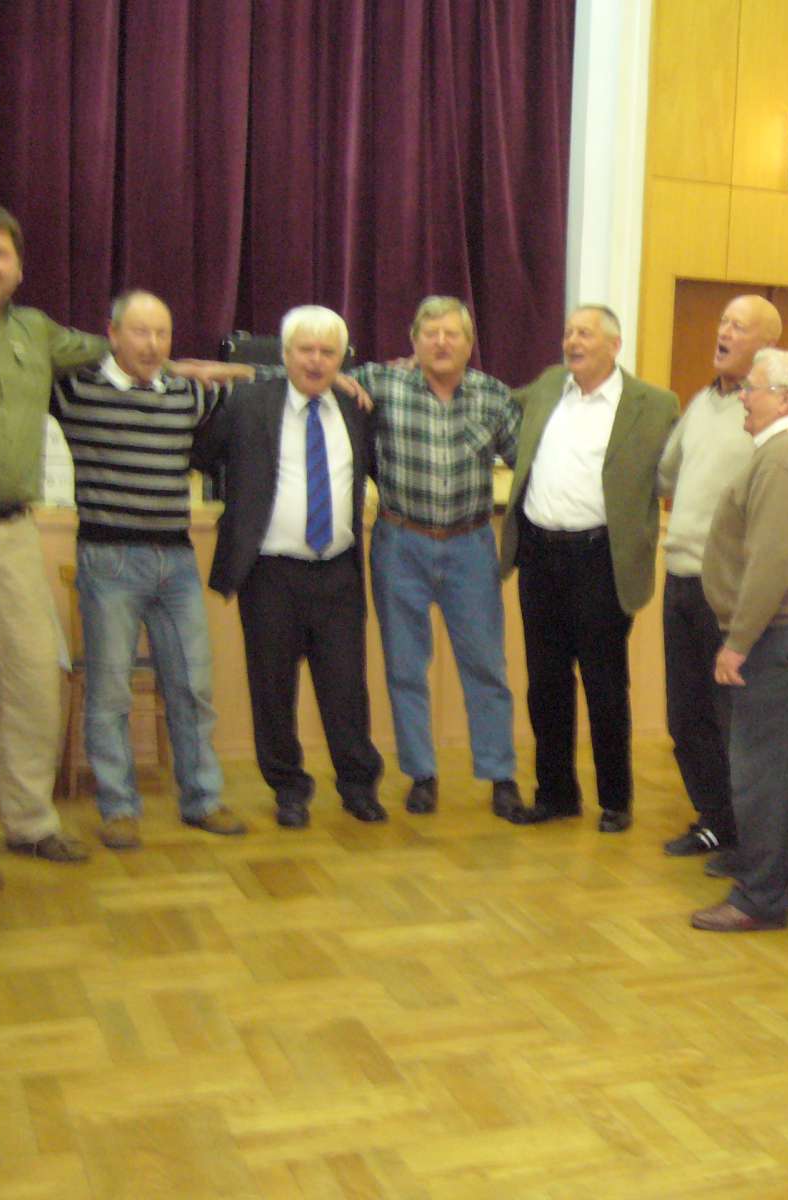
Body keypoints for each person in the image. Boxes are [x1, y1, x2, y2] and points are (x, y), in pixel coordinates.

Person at [656, 293, 788, 861]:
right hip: (684, 578)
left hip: (742, 597)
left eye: (738, 326)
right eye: (722, 320)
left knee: (745, 729)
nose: (722, 331)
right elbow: (665, 473)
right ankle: (717, 822)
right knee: (688, 718)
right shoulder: (703, 404)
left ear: (766, 345)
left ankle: (760, 845)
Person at [52, 290, 249, 849]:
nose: (153, 344)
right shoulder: (73, 391)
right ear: (111, 334)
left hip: (177, 562)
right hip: (107, 560)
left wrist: (217, 368)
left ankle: (202, 799)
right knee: (109, 693)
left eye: (162, 333)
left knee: (192, 687)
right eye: (140, 332)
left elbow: (261, 381)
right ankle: (118, 808)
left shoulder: (186, 394)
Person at [0, 201, 102, 894]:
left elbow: (111, 348)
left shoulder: (36, 331)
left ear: (19, 268)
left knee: (38, 675)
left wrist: (179, 359)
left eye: (0, 253)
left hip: (15, 529)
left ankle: (31, 822)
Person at [191, 306, 384, 828]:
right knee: (272, 689)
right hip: (270, 575)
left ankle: (358, 786)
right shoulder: (249, 403)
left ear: (342, 359)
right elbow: (203, 453)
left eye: (327, 352)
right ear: (285, 353)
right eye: (305, 349)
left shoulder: (357, 408)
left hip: (339, 573)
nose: (316, 361)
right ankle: (288, 788)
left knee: (346, 688)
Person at [497, 305, 678, 833]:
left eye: (585, 334)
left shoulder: (653, 404)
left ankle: (615, 800)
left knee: (604, 683)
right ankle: (555, 794)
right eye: (568, 332)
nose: (572, 341)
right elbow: (490, 403)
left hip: (602, 558)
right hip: (539, 555)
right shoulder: (548, 386)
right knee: (545, 682)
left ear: (614, 345)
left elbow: (684, 463)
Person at [692, 349, 788, 932]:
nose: (742, 396)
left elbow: (773, 562)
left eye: (752, 388)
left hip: (781, 636)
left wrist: (737, 641)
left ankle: (759, 897)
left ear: (784, 400)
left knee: (761, 769)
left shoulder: (784, 458)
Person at [354, 296, 521, 818]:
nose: (442, 342)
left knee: (486, 667)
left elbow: (527, 458)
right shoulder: (382, 384)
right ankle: (421, 774)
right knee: (405, 668)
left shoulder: (493, 396)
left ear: (470, 344)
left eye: (453, 334)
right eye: (431, 333)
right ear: (414, 341)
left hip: (471, 546)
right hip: (399, 544)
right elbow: (311, 371)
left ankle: (500, 775)